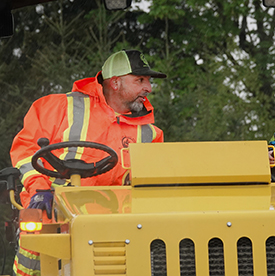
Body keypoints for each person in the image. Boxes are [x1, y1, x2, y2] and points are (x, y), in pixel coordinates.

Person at [10, 49, 166, 275]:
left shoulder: (151, 134)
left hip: (113, 224)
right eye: (140, 80)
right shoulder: (59, 107)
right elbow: (25, 149)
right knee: (37, 229)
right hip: (51, 207)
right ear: (115, 83)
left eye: (149, 81)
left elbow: (153, 189)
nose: (148, 88)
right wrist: (39, 190)